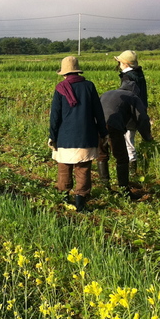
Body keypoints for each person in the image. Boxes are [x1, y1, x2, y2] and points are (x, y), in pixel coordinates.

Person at [49, 56, 108, 212]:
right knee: (83, 169)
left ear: (64, 73)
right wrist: (103, 132)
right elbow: (98, 112)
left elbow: (55, 115)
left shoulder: (60, 88)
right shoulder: (89, 86)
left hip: (65, 136)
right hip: (86, 136)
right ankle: (80, 203)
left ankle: (63, 198)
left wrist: (52, 136)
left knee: (64, 168)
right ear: (77, 71)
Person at [97, 82, 153, 199]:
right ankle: (125, 190)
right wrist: (147, 137)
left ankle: (105, 187)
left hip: (95, 123)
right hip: (113, 125)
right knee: (121, 157)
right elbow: (141, 118)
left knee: (102, 155)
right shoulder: (133, 97)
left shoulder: (107, 93)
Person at [114, 50, 148, 173]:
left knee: (128, 141)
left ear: (125, 64)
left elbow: (128, 97)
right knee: (130, 139)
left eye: (120, 62)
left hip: (130, 112)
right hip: (140, 110)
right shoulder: (139, 74)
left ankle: (131, 170)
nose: (119, 64)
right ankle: (132, 167)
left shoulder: (128, 78)